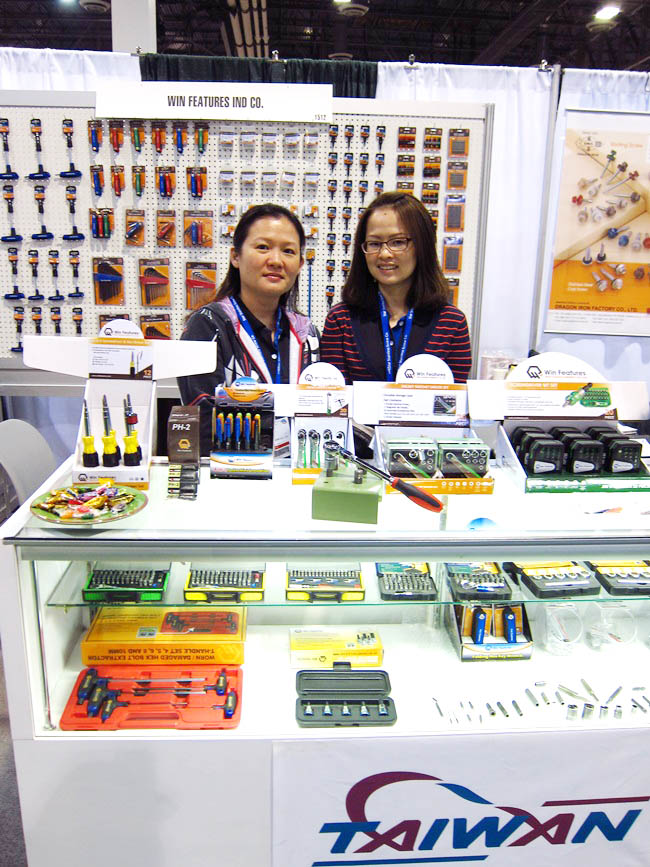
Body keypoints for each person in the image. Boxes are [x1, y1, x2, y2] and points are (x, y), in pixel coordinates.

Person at [178, 203, 319, 454]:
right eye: (263, 247)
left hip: (298, 470)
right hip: (232, 470)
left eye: (288, 251)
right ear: (235, 256)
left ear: (299, 264)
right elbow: (203, 421)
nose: (275, 260)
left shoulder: (307, 335)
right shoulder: (207, 326)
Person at [320, 191, 471, 384]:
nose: (384, 254)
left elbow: (452, 400)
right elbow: (334, 398)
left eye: (398, 242)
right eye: (374, 244)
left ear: (422, 245)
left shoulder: (451, 323)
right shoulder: (341, 320)